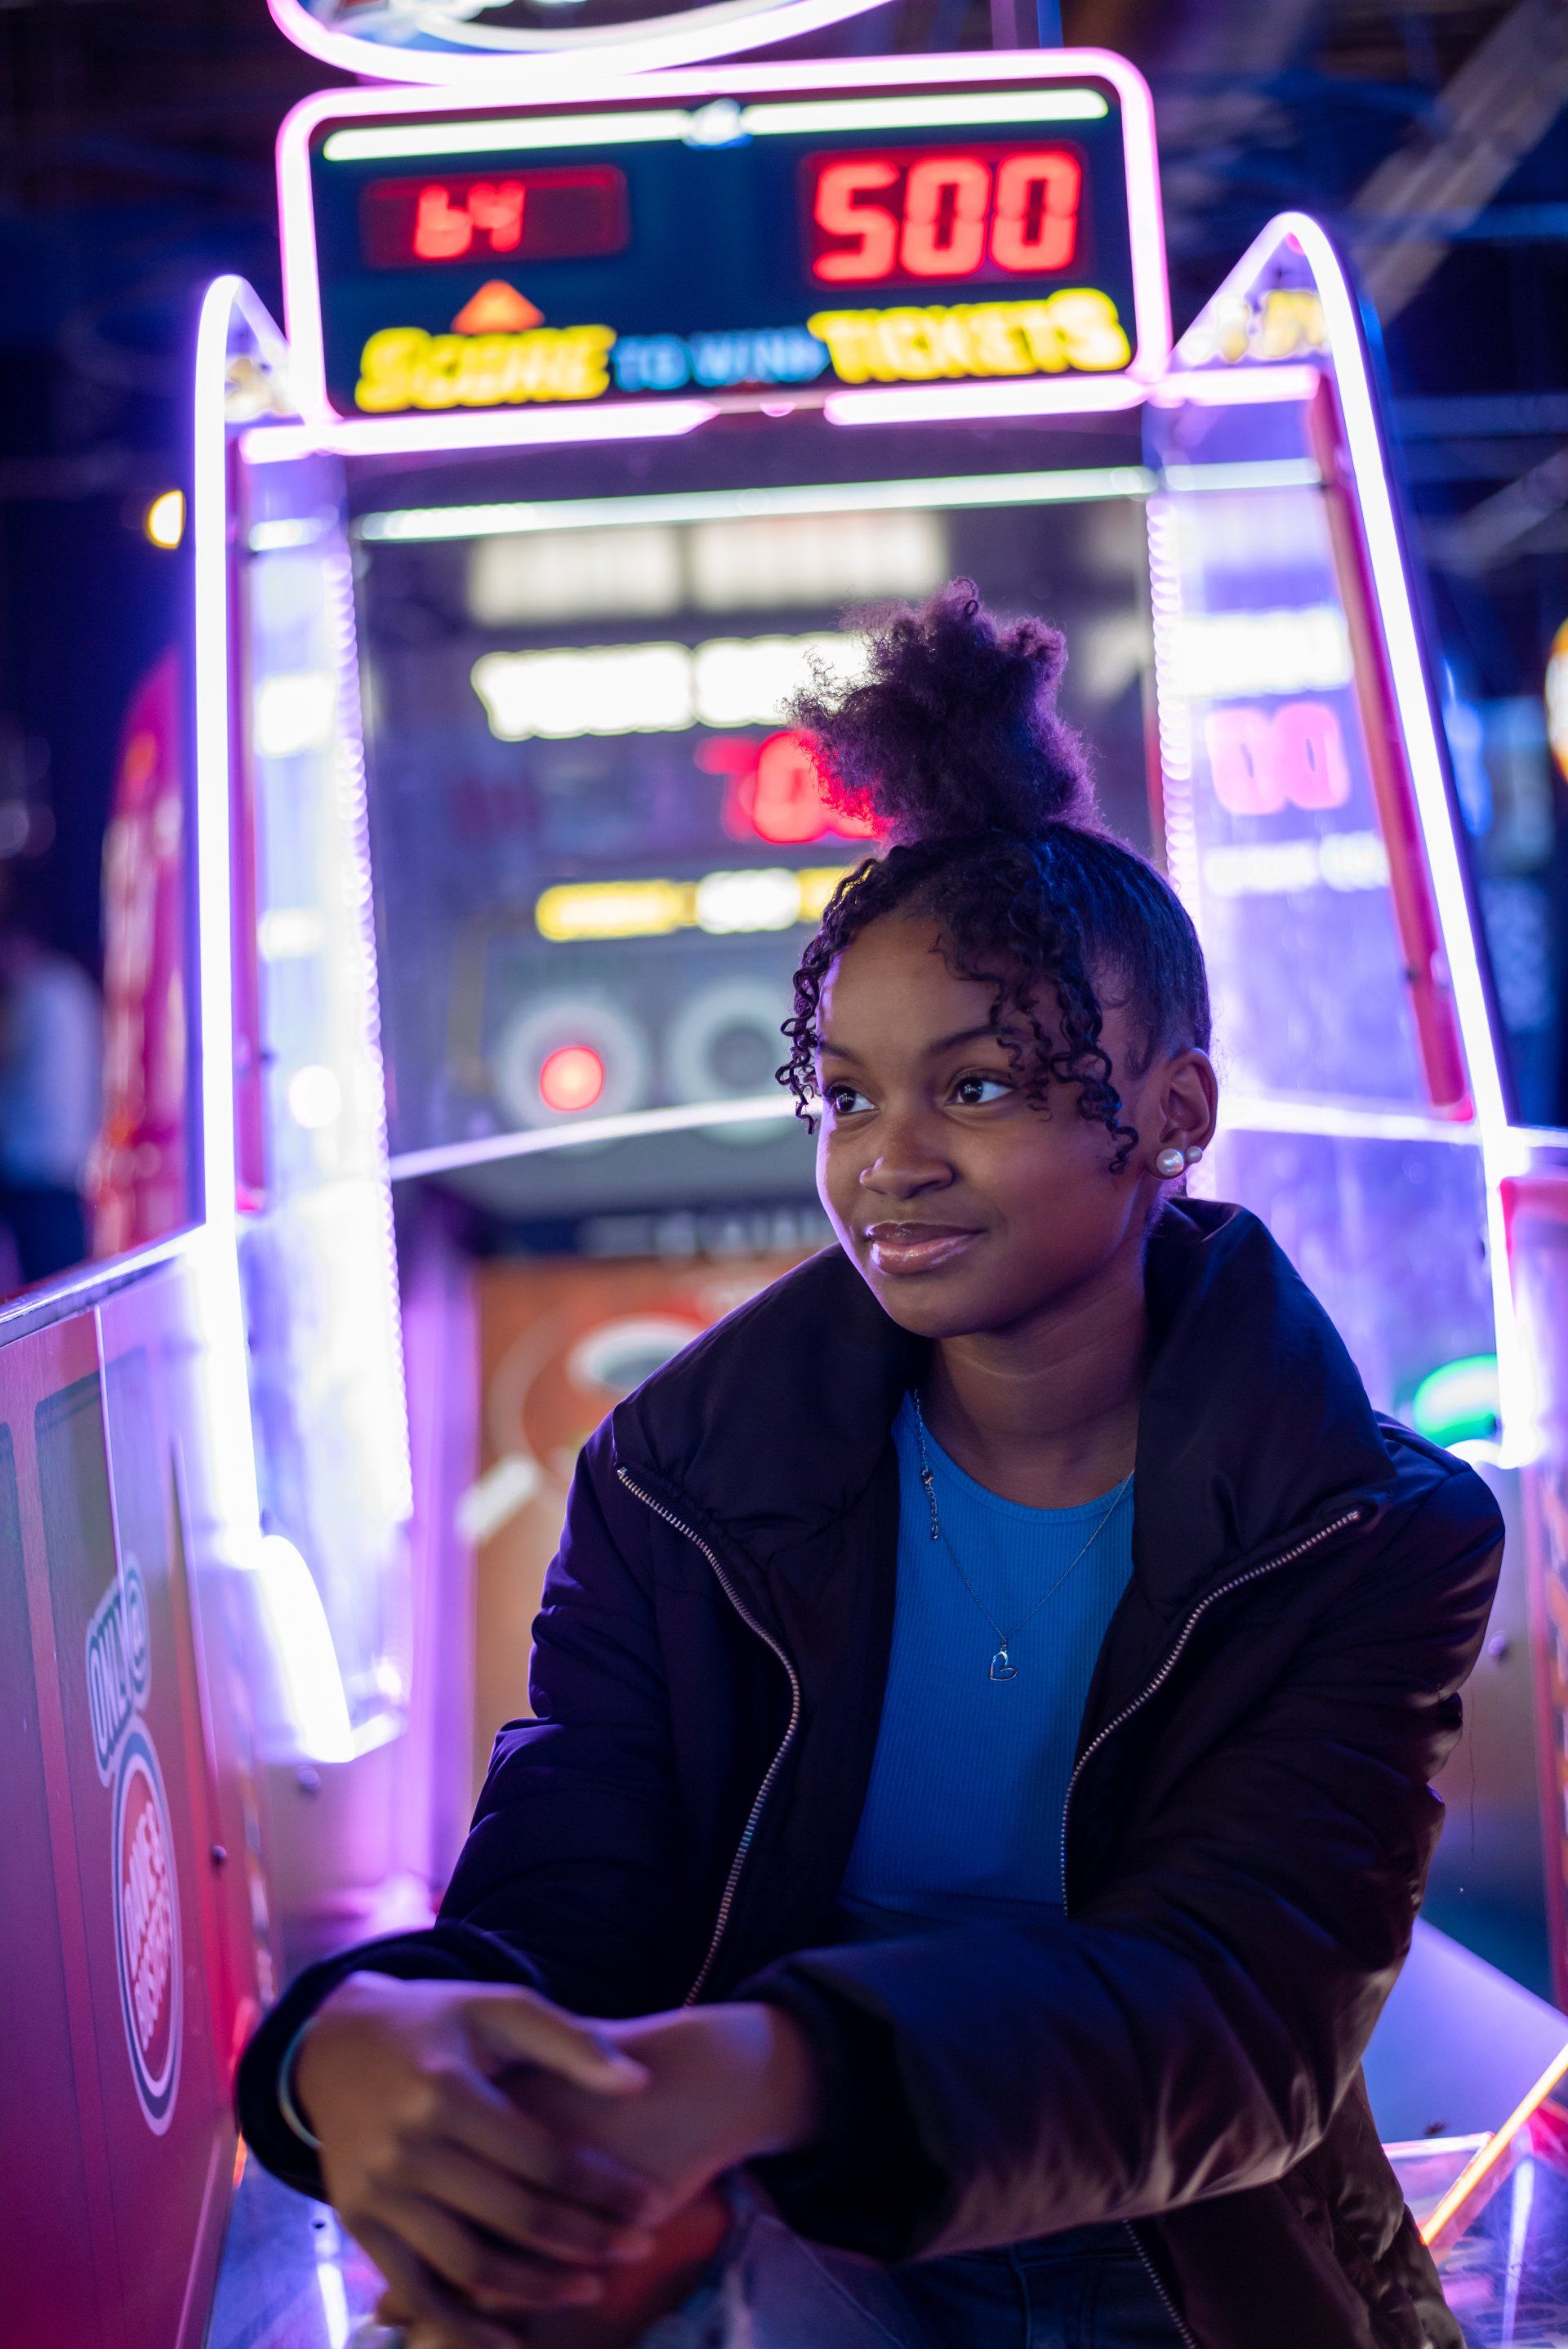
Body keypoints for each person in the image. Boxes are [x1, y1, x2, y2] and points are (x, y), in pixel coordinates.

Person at [238, 583, 1504, 2349]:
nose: (884, 1159)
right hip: (780, 2250)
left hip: (1185, 2269)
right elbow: (565, 1890)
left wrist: (784, 2064)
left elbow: (1238, 2016)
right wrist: (357, 2043)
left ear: (1175, 1113)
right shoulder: (676, 1480)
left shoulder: (1373, 1531)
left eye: (975, 1089)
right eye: (843, 1093)